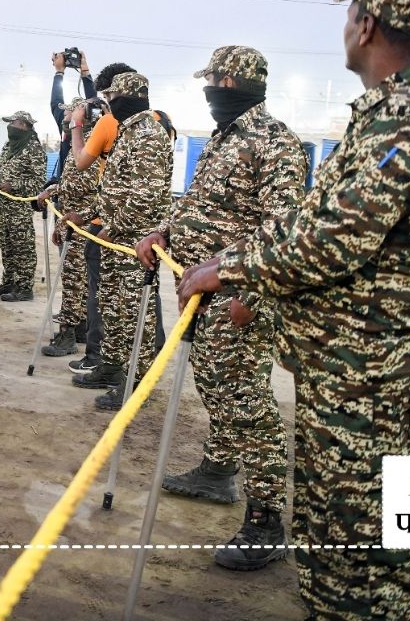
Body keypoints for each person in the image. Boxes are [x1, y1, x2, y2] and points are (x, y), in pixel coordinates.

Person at [178, 0, 410, 620]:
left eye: (349, 16)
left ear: (366, 25)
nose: (344, 28)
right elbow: (318, 219)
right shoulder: (397, 111)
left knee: (354, 573)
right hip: (366, 369)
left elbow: (334, 234)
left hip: (373, 379)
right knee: (372, 559)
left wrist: (228, 267)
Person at [136, 46, 308, 571]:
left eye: (213, 80)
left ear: (229, 80)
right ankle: (218, 470)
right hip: (205, 293)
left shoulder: (276, 143)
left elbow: (283, 229)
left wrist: (250, 295)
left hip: (237, 295)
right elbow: (202, 203)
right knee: (217, 385)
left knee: (246, 401)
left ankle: (265, 519)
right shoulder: (225, 137)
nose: (209, 90)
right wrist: (166, 229)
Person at [68, 72, 172, 409]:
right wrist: (87, 215)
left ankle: (135, 384)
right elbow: (113, 189)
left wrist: (114, 226)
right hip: (116, 239)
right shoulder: (128, 132)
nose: (109, 103)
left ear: (126, 97)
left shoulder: (148, 135)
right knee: (114, 312)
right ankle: (112, 368)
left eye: (112, 97)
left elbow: (147, 194)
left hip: (134, 243)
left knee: (133, 315)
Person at [36, 96, 104, 357]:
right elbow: (71, 182)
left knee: (74, 282)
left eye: (69, 113)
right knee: (75, 279)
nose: (64, 118)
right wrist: (54, 189)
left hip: (83, 225)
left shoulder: (92, 143)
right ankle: (78, 328)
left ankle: (66, 336)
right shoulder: (79, 141)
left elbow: (88, 186)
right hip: (71, 221)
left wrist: (61, 194)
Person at [0, 110, 47, 302]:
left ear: (25, 126)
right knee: (7, 245)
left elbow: (38, 183)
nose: (11, 127)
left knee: (23, 248)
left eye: (15, 123)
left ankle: (25, 288)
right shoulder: (9, 145)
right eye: (10, 123)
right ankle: (9, 281)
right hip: (3, 206)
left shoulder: (34, 148)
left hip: (20, 209)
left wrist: (14, 185)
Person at [49, 50, 97, 181]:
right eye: (67, 112)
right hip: (63, 195)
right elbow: (56, 103)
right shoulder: (65, 129)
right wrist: (59, 72)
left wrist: (61, 72)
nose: (66, 115)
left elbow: (93, 100)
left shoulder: (94, 133)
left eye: (71, 111)